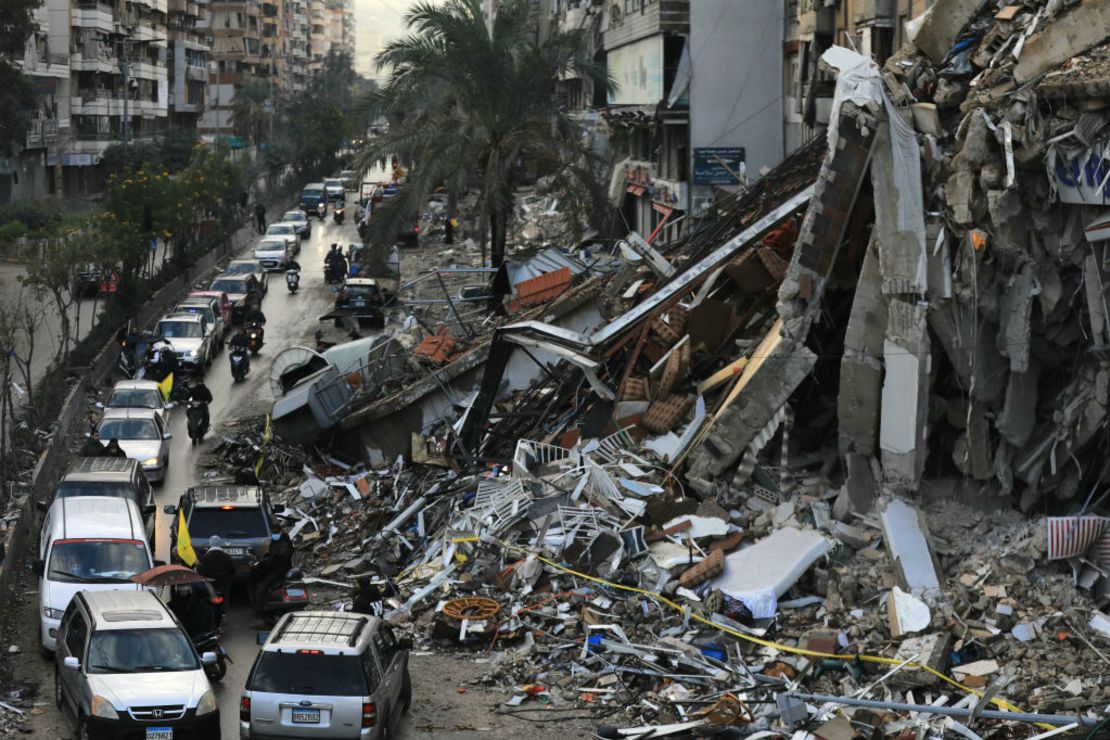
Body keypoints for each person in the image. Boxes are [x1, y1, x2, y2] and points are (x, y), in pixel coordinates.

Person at [251, 529, 294, 622]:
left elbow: (275, 559)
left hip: (277, 573)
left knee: (262, 590)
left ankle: (259, 616)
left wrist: (265, 563)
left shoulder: (282, 546)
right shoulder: (279, 543)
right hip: (277, 572)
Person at [199, 537, 235, 623]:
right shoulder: (226, 556)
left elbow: (202, 572)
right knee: (225, 598)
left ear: (210, 544)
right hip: (224, 583)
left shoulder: (206, 557)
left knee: (211, 600)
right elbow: (232, 571)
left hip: (212, 584)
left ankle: (211, 615)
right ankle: (224, 615)